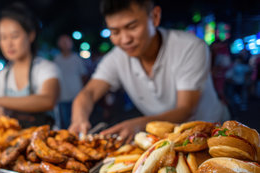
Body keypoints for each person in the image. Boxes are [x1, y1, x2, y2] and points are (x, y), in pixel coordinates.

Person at [69, 0, 230, 142]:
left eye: (132, 27)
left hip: (212, 132)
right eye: (115, 32)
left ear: (155, 17)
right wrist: (78, 120)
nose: (125, 40)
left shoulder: (190, 47)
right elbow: (88, 94)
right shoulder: (116, 58)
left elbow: (186, 110)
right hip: (163, 137)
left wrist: (140, 124)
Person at [0, 3, 60, 128]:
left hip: (48, 140)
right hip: (15, 142)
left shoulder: (46, 68)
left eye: (14, 36)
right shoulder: (3, 75)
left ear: (31, 35)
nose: (8, 44)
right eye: (3, 38)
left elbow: (48, 100)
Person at [54, 34, 88, 129]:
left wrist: (84, 92)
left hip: (76, 95)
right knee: (64, 123)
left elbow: (83, 76)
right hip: (62, 96)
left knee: (78, 121)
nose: (65, 44)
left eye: (67, 42)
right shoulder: (57, 59)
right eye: (62, 42)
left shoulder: (76, 58)